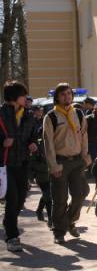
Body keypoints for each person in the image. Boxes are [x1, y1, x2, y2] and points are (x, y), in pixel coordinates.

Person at [43, 83, 91, 244]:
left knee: (81, 193)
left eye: (69, 94)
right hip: (60, 162)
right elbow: (48, 143)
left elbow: (84, 136)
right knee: (60, 199)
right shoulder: (51, 117)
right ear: (57, 97)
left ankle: (70, 221)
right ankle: (59, 231)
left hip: (77, 160)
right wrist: (53, 165)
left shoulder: (78, 113)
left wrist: (85, 156)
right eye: (63, 94)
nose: (67, 97)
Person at [0, 81, 38, 252]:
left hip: (23, 163)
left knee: (21, 199)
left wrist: (33, 143)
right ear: (15, 97)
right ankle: (12, 236)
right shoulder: (1, 114)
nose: (26, 98)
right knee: (12, 199)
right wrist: (2, 142)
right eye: (23, 95)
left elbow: (32, 135)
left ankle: (8, 223)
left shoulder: (28, 114)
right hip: (5, 164)